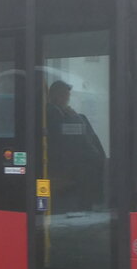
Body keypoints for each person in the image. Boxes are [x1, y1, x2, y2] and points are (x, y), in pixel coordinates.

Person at [45, 80, 105, 210]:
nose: (67, 99)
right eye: (65, 95)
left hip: (71, 157)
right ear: (56, 96)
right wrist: (74, 117)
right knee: (93, 165)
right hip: (65, 161)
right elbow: (64, 137)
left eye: (67, 96)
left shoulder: (62, 112)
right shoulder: (52, 112)